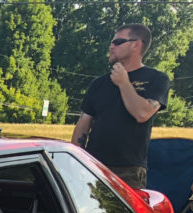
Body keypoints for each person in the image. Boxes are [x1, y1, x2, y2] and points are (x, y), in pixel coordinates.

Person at [70, 23, 169, 188]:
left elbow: (142, 114)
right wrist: (75, 161)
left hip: (129, 171)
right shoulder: (98, 83)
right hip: (92, 166)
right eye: (112, 42)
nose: (111, 46)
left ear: (136, 45)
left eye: (118, 42)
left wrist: (124, 83)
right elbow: (83, 125)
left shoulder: (157, 79)